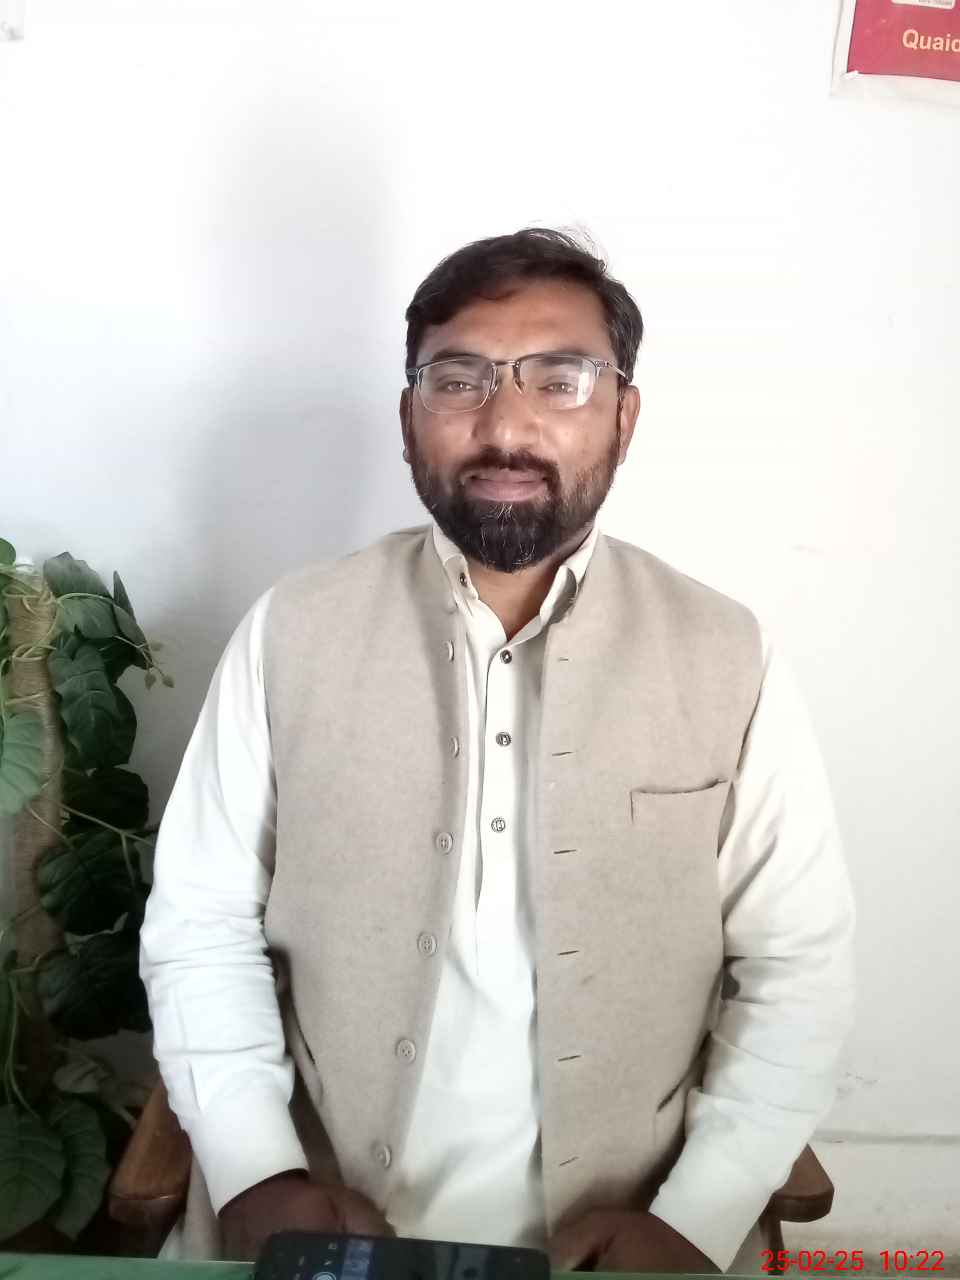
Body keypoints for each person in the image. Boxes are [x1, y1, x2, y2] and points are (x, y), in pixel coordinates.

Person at [140, 227, 856, 1273]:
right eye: (458, 378)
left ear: (624, 417)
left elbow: (799, 965)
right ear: (408, 419)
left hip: (633, 1237)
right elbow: (201, 922)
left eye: (560, 380)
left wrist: (698, 1215)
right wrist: (256, 1170)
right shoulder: (292, 631)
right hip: (324, 1221)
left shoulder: (725, 652)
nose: (506, 424)